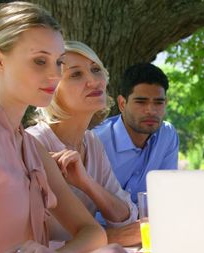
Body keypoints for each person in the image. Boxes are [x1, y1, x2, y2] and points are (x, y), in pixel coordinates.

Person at [0, 2, 109, 252]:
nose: (55, 74)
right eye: (40, 61)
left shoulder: (31, 147)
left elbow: (93, 232)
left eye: (58, 62)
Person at [26, 41, 141, 246]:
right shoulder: (33, 144)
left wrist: (87, 183)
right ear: (51, 89)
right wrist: (108, 239)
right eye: (76, 74)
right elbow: (25, 242)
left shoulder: (91, 142)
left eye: (96, 70)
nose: (93, 81)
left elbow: (127, 216)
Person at [93, 63, 179, 204]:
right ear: (122, 104)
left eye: (158, 102)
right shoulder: (96, 141)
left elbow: (167, 195)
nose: (151, 110)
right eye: (141, 102)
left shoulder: (168, 136)